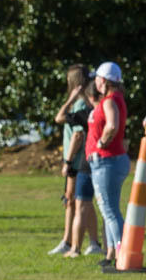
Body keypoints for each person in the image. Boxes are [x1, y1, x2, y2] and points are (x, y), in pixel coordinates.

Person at [87, 62, 130, 266]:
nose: (95, 82)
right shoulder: (116, 98)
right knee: (111, 209)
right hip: (111, 161)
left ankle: (123, 253)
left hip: (106, 160)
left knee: (110, 211)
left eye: (96, 78)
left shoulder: (109, 100)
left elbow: (112, 125)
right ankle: (113, 252)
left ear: (103, 81)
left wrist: (101, 142)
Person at [62, 77, 104, 258]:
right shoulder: (109, 110)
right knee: (103, 208)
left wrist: (68, 161)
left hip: (85, 164)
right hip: (103, 163)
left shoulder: (86, 111)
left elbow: (67, 125)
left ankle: (74, 247)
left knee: (79, 205)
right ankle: (99, 246)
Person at [51, 65, 90, 254]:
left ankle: (68, 241)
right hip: (77, 159)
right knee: (81, 202)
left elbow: (77, 134)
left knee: (71, 201)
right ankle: (94, 242)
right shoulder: (82, 104)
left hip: (76, 160)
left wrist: (67, 161)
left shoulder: (80, 105)